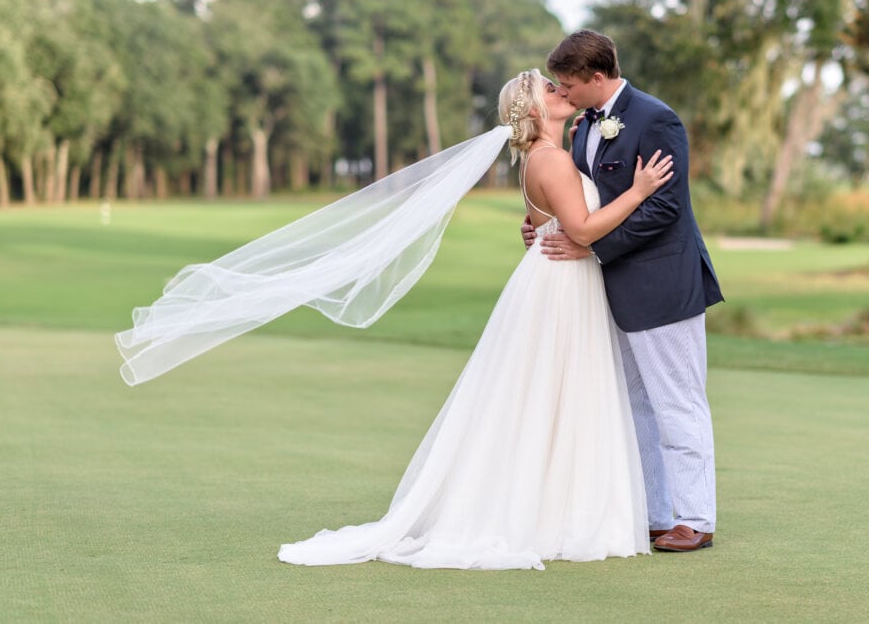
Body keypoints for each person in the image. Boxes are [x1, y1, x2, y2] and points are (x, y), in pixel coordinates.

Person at [276, 69, 674, 570]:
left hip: (559, 280)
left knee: (554, 395)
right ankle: (553, 513)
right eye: (551, 89)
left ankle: (557, 507)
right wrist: (638, 191)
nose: (562, 91)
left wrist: (542, 226)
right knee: (556, 392)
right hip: (561, 287)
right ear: (533, 110)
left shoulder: (553, 154)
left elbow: (541, 225)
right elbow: (583, 229)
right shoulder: (549, 160)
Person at [523, 30, 724, 552]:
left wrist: (591, 247)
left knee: (677, 403)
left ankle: (696, 519)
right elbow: (581, 205)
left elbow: (665, 208)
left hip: (662, 284)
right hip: (606, 293)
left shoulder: (656, 118)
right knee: (634, 405)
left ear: (597, 78)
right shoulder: (581, 130)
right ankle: (655, 514)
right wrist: (546, 229)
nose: (563, 93)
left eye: (569, 84)